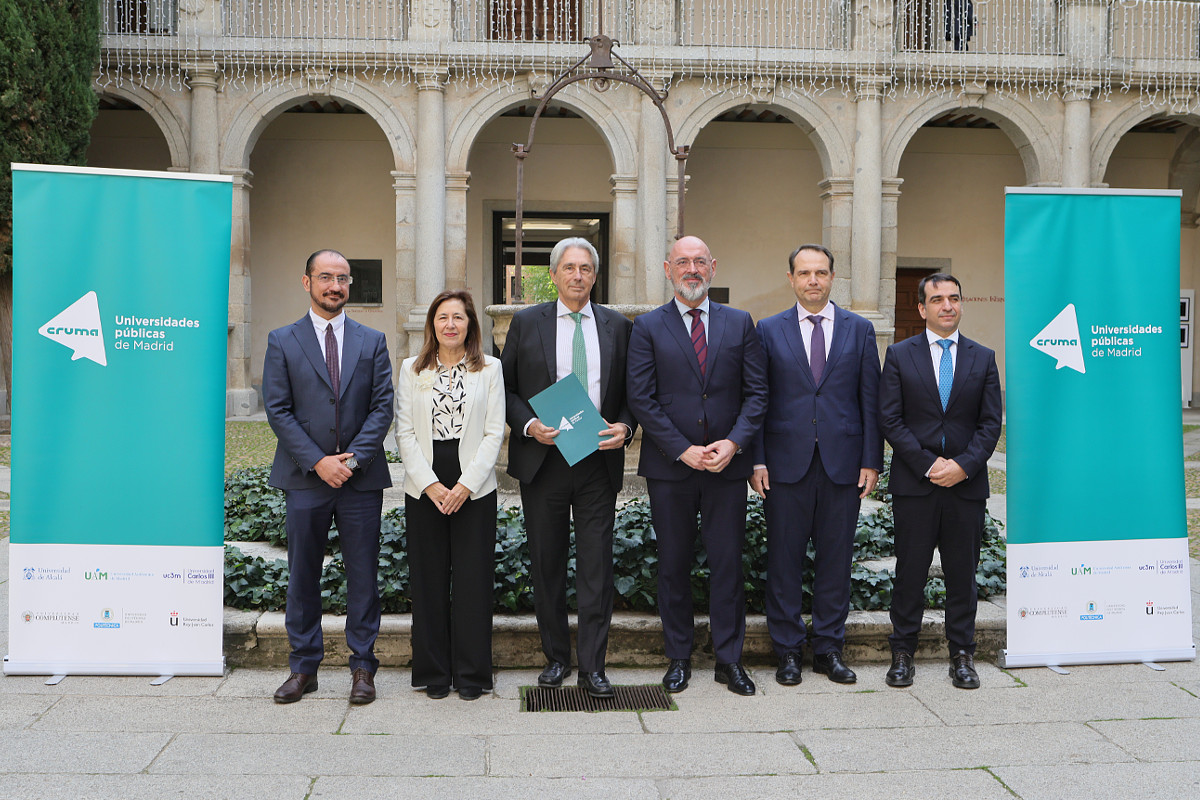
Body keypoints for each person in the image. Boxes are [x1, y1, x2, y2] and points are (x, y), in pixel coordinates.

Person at [626, 235, 768, 696]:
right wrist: (683, 448)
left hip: (726, 467)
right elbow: (641, 399)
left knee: (728, 564)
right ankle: (679, 657)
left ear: (713, 267)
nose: (692, 269)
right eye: (683, 262)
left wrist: (735, 443)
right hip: (671, 468)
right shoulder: (647, 327)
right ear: (668, 269)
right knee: (674, 565)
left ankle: (729, 660)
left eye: (700, 262)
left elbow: (756, 394)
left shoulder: (740, 323)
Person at [500, 237, 636, 699]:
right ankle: (556, 658)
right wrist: (529, 425)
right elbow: (508, 389)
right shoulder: (525, 322)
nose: (578, 275)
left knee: (596, 566)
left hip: (597, 460)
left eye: (586, 268)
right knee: (548, 563)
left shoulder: (619, 326)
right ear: (554, 274)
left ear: (595, 276)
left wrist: (626, 427)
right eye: (569, 268)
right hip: (545, 461)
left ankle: (594, 666)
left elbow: (632, 395)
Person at [263, 249, 394, 705]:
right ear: (307, 283)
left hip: (360, 481)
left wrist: (351, 460)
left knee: (363, 575)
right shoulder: (282, 340)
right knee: (302, 576)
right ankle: (303, 668)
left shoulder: (373, 340)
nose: (334, 285)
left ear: (349, 285)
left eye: (342, 278)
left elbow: (382, 408)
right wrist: (319, 461)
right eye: (325, 277)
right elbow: (277, 410)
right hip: (305, 479)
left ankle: (363, 668)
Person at [751, 244, 883, 686]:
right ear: (790, 278)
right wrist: (757, 459)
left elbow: (870, 399)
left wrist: (871, 460)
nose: (813, 280)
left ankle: (828, 649)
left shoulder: (859, 329)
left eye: (821, 273)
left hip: (842, 465)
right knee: (784, 562)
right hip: (784, 465)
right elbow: (758, 400)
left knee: (836, 561)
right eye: (804, 273)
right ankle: (787, 652)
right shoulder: (768, 330)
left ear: (832, 278)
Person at [878, 272, 1001, 690]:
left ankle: (962, 655)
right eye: (937, 299)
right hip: (916, 484)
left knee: (962, 574)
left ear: (961, 304)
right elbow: (890, 419)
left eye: (954, 298)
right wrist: (930, 464)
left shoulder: (983, 357)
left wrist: (963, 466)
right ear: (922, 308)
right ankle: (902, 652)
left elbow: (989, 423)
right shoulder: (899, 355)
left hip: (966, 485)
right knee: (910, 571)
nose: (947, 305)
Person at [396, 290, 505, 701]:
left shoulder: (490, 368)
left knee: (473, 580)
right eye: (443, 317)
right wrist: (430, 484)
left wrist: (464, 485)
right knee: (429, 580)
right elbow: (404, 432)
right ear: (433, 324)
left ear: (470, 325)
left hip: (473, 485)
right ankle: (434, 673)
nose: (450, 325)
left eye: (458, 317)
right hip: (424, 484)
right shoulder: (411, 368)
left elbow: (495, 432)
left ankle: (473, 674)